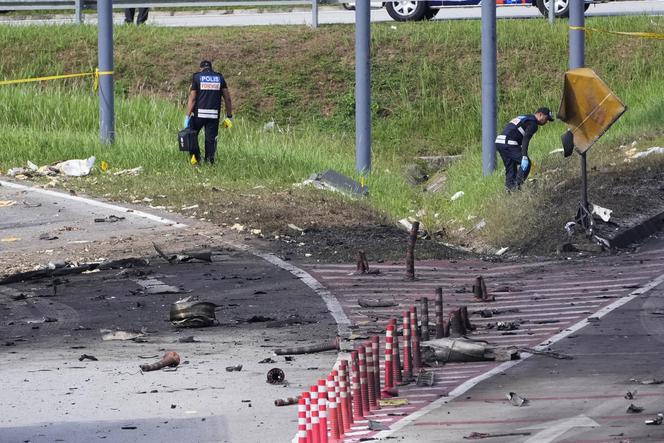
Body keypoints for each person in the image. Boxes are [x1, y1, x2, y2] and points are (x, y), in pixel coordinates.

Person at [184, 60, 233, 165]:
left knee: (191, 136)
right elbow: (227, 98)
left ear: (201, 68)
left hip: (199, 115)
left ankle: (195, 161)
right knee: (211, 140)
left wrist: (187, 116)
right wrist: (229, 116)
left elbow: (192, 99)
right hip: (213, 115)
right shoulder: (219, 78)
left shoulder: (197, 77)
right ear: (211, 68)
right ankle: (209, 162)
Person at [495, 107, 554, 190]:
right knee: (527, 164)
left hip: (500, 141)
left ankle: (510, 191)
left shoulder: (525, 117)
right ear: (540, 114)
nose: (547, 122)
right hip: (509, 143)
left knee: (511, 169)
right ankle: (516, 187)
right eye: (547, 118)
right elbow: (525, 139)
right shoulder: (533, 123)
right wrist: (524, 156)